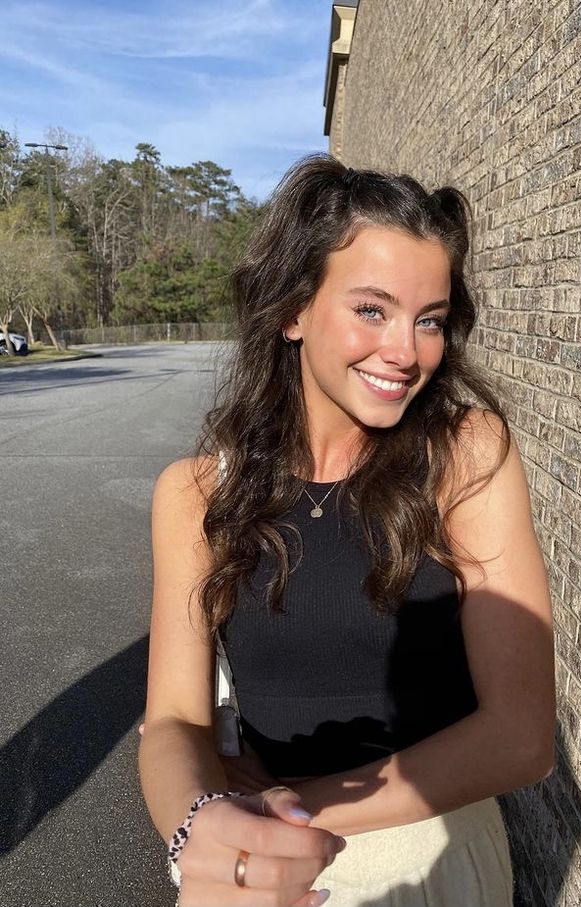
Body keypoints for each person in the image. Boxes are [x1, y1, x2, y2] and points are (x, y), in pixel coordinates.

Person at [139, 153, 556, 907]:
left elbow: (520, 736)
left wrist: (290, 808)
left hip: (431, 859)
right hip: (257, 873)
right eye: (373, 309)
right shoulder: (196, 492)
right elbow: (172, 719)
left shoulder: (463, 454)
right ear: (293, 310)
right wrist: (199, 829)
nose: (407, 351)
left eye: (428, 319)